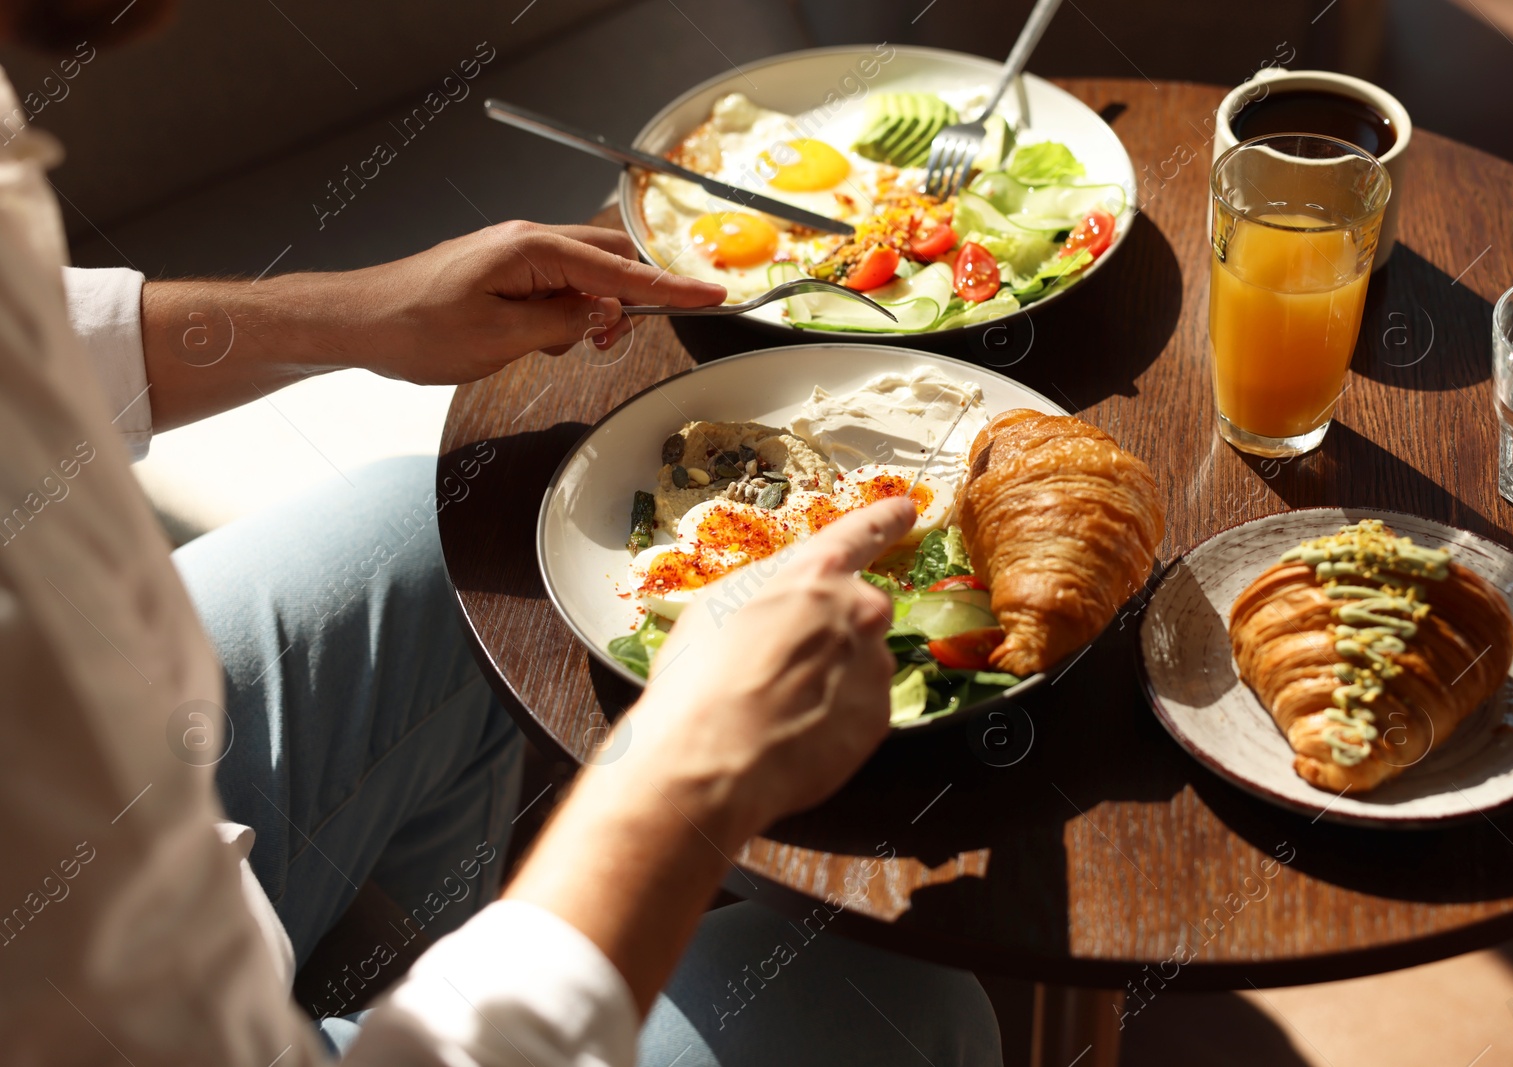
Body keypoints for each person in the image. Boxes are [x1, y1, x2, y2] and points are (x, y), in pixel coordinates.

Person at [0, 3, 1005, 1064]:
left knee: (439, 527)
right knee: (903, 1009)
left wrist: (352, 314)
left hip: (147, 830)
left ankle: (420, 960)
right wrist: (681, 769)